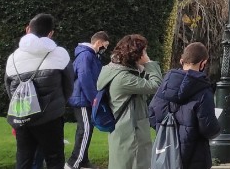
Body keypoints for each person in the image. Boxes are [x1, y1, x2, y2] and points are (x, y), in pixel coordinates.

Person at [5, 14, 74, 169]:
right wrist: (59, 104)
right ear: (51, 33)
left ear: (28, 30)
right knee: (54, 159)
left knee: (24, 159)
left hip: (23, 115)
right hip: (51, 115)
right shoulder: (60, 53)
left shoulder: (13, 57)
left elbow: (10, 89)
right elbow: (69, 84)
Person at [148, 42, 220, 169]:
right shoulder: (203, 90)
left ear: (182, 61)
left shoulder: (165, 85)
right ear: (203, 63)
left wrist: (168, 130)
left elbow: (153, 114)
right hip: (195, 154)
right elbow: (208, 128)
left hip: (167, 150)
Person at [98, 34, 163, 169]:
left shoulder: (115, 70)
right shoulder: (124, 78)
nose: (145, 54)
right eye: (144, 51)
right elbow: (156, 85)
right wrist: (149, 63)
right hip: (131, 134)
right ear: (136, 54)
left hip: (125, 131)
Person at [66, 31, 110, 169]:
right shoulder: (86, 55)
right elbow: (85, 77)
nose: (105, 49)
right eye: (105, 46)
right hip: (83, 99)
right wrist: (94, 99)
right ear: (98, 42)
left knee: (86, 129)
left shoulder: (88, 55)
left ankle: (82, 161)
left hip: (83, 97)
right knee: (85, 130)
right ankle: (74, 162)